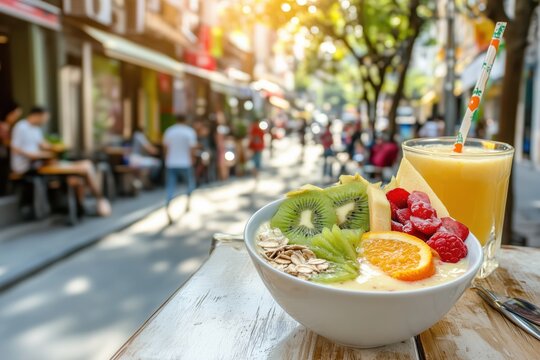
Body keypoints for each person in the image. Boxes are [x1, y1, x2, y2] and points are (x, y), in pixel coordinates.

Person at [10, 106, 111, 216]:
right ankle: (98, 200)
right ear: (37, 115)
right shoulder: (21, 126)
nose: (45, 121)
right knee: (81, 170)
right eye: (44, 118)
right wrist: (33, 155)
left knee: (81, 172)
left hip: (41, 162)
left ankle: (85, 205)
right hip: (26, 166)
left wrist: (55, 147)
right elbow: (15, 148)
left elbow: (42, 144)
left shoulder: (36, 129)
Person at [163, 114, 197, 222]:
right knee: (190, 184)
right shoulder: (189, 132)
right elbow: (192, 148)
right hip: (185, 163)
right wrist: (192, 159)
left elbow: (165, 147)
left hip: (171, 163)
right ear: (185, 120)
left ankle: (168, 203)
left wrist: (166, 159)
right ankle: (188, 203)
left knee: (170, 186)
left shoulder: (169, 131)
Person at [0, 101, 22, 195]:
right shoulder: (2, 126)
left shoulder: (11, 126)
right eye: (15, 115)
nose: (16, 118)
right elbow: (6, 143)